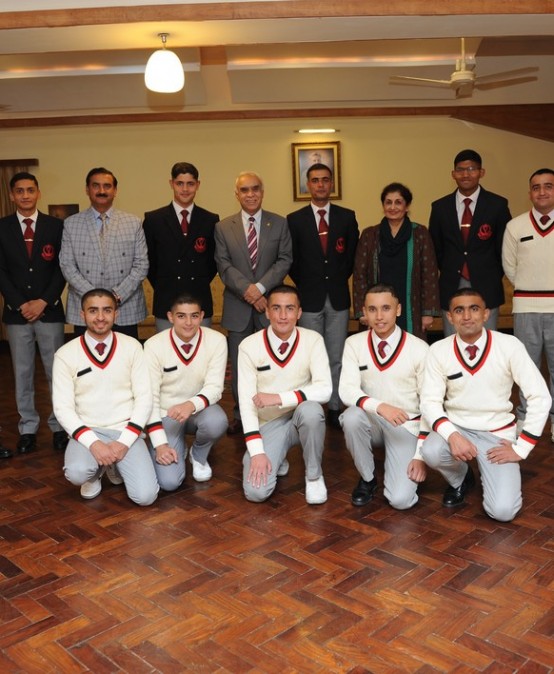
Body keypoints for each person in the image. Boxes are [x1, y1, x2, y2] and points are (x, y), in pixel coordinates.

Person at [420, 288, 550, 522]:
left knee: (503, 512)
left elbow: (540, 396)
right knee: (431, 450)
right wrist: (452, 435)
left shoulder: (509, 345)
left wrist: (521, 448)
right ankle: (461, 478)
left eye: (474, 309)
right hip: (457, 428)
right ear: (450, 317)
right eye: (459, 310)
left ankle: (491, 472)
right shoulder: (438, 350)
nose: (466, 316)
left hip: (496, 434)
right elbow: (429, 402)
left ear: (486, 314)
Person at [52, 289, 159, 505]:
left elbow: (144, 399)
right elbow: (63, 409)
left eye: (107, 310)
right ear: (82, 315)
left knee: (146, 497)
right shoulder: (65, 354)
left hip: (125, 429)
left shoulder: (132, 347)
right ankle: (95, 473)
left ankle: (113, 463)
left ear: (116, 314)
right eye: (93, 311)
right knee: (77, 472)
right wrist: (94, 444)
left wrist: (124, 442)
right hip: (89, 429)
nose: (100, 317)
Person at [238, 284, 332, 504]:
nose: (282, 315)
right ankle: (275, 455)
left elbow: (325, 389)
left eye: (289, 308)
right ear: (267, 312)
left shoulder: (313, 340)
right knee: (256, 493)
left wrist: (279, 398)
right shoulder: (249, 346)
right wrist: (256, 452)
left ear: (299, 313)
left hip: (301, 416)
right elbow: (246, 402)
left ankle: (314, 476)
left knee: (312, 410)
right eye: (276, 308)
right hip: (268, 424)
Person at [215, 171, 292, 434]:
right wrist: (248, 291)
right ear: (236, 194)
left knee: (272, 364)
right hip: (238, 308)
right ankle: (241, 415)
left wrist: (260, 290)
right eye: (244, 190)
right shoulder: (223, 227)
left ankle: (272, 415)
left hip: (270, 308)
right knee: (240, 366)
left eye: (255, 189)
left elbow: (284, 260)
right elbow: (223, 265)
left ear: (262, 191)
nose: (250, 194)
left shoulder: (279, 223)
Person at [339, 284, 429, 509]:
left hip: (406, 426)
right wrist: (380, 407)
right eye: (372, 309)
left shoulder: (419, 348)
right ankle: (368, 478)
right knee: (350, 417)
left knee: (400, 501)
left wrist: (420, 455)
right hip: (372, 421)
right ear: (364, 312)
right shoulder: (353, 344)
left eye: (386, 308)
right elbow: (346, 390)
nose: (379, 316)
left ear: (398, 310)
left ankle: (402, 464)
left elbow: (430, 404)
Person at [0, 171, 68, 455]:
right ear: (12, 195)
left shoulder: (56, 226)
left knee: (57, 373)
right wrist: (21, 303)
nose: (25, 195)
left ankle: (59, 426)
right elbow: (1, 271)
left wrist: (44, 301)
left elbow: (63, 267)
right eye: (20, 191)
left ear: (38, 192)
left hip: (49, 311)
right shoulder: (2, 227)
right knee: (23, 372)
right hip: (16, 314)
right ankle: (27, 428)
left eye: (30, 190)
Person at [288, 163, 359, 429]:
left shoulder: (346, 216)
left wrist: (335, 278)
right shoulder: (294, 219)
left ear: (331, 183)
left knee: (336, 356)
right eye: (315, 180)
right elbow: (292, 260)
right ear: (308, 185)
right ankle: (313, 407)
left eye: (325, 180)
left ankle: (334, 405)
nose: (320, 184)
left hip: (338, 297)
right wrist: (308, 282)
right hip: (308, 298)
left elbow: (351, 256)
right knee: (310, 357)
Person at [143, 294, 228, 491]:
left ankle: (198, 454)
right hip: (166, 415)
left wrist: (190, 404)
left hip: (199, 410)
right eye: (181, 316)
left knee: (217, 421)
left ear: (202, 316)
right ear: (170, 317)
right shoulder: (153, 345)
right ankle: (176, 444)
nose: (188, 322)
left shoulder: (217, 340)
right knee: (169, 482)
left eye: (194, 316)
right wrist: (160, 444)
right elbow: (150, 398)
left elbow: (215, 387)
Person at [429, 149, 511, 335]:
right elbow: (436, 249)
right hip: (452, 283)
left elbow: (504, 248)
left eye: (472, 169)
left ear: (481, 172)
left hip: (487, 285)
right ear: (453, 174)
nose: (465, 174)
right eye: (460, 170)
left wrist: (490, 273)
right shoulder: (440, 207)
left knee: (487, 341)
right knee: (453, 342)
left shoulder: (498, 205)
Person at [60, 167, 148, 338]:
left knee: (126, 354)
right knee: (86, 354)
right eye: (96, 186)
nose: (102, 190)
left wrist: (116, 296)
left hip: (125, 308)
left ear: (115, 190)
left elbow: (141, 265)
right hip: (84, 308)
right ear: (87, 189)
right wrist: (94, 298)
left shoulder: (133, 223)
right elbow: (67, 265)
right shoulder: (71, 224)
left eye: (107, 186)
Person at [502, 168, 554, 442]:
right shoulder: (516, 226)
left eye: (548, 186)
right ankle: (524, 419)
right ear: (530, 192)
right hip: (526, 308)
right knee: (526, 369)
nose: (542, 192)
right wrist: (529, 288)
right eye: (536, 187)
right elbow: (510, 267)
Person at [353, 182, 439, 341]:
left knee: (411, 348)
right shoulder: (370, 235)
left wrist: (428, 312)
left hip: (411, 307)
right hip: (377, 308)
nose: (393, 207)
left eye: (398, 202)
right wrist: (362, 310)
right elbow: (359, 275)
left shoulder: (420, 233)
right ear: (383, 205)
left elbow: (429, 274)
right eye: (388, 202)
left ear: (407, 206)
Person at [143, 162, 219, 331]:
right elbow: (149, 262)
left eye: (190, 184)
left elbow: (213, 262)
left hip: (199, 300)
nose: (185, 189)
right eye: (180, 183)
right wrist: (167, 283)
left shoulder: (210, 220)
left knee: (201, 347)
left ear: (198, 185)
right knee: (166, 348)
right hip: (166, 301)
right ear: (171, 184)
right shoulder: (154, 220)